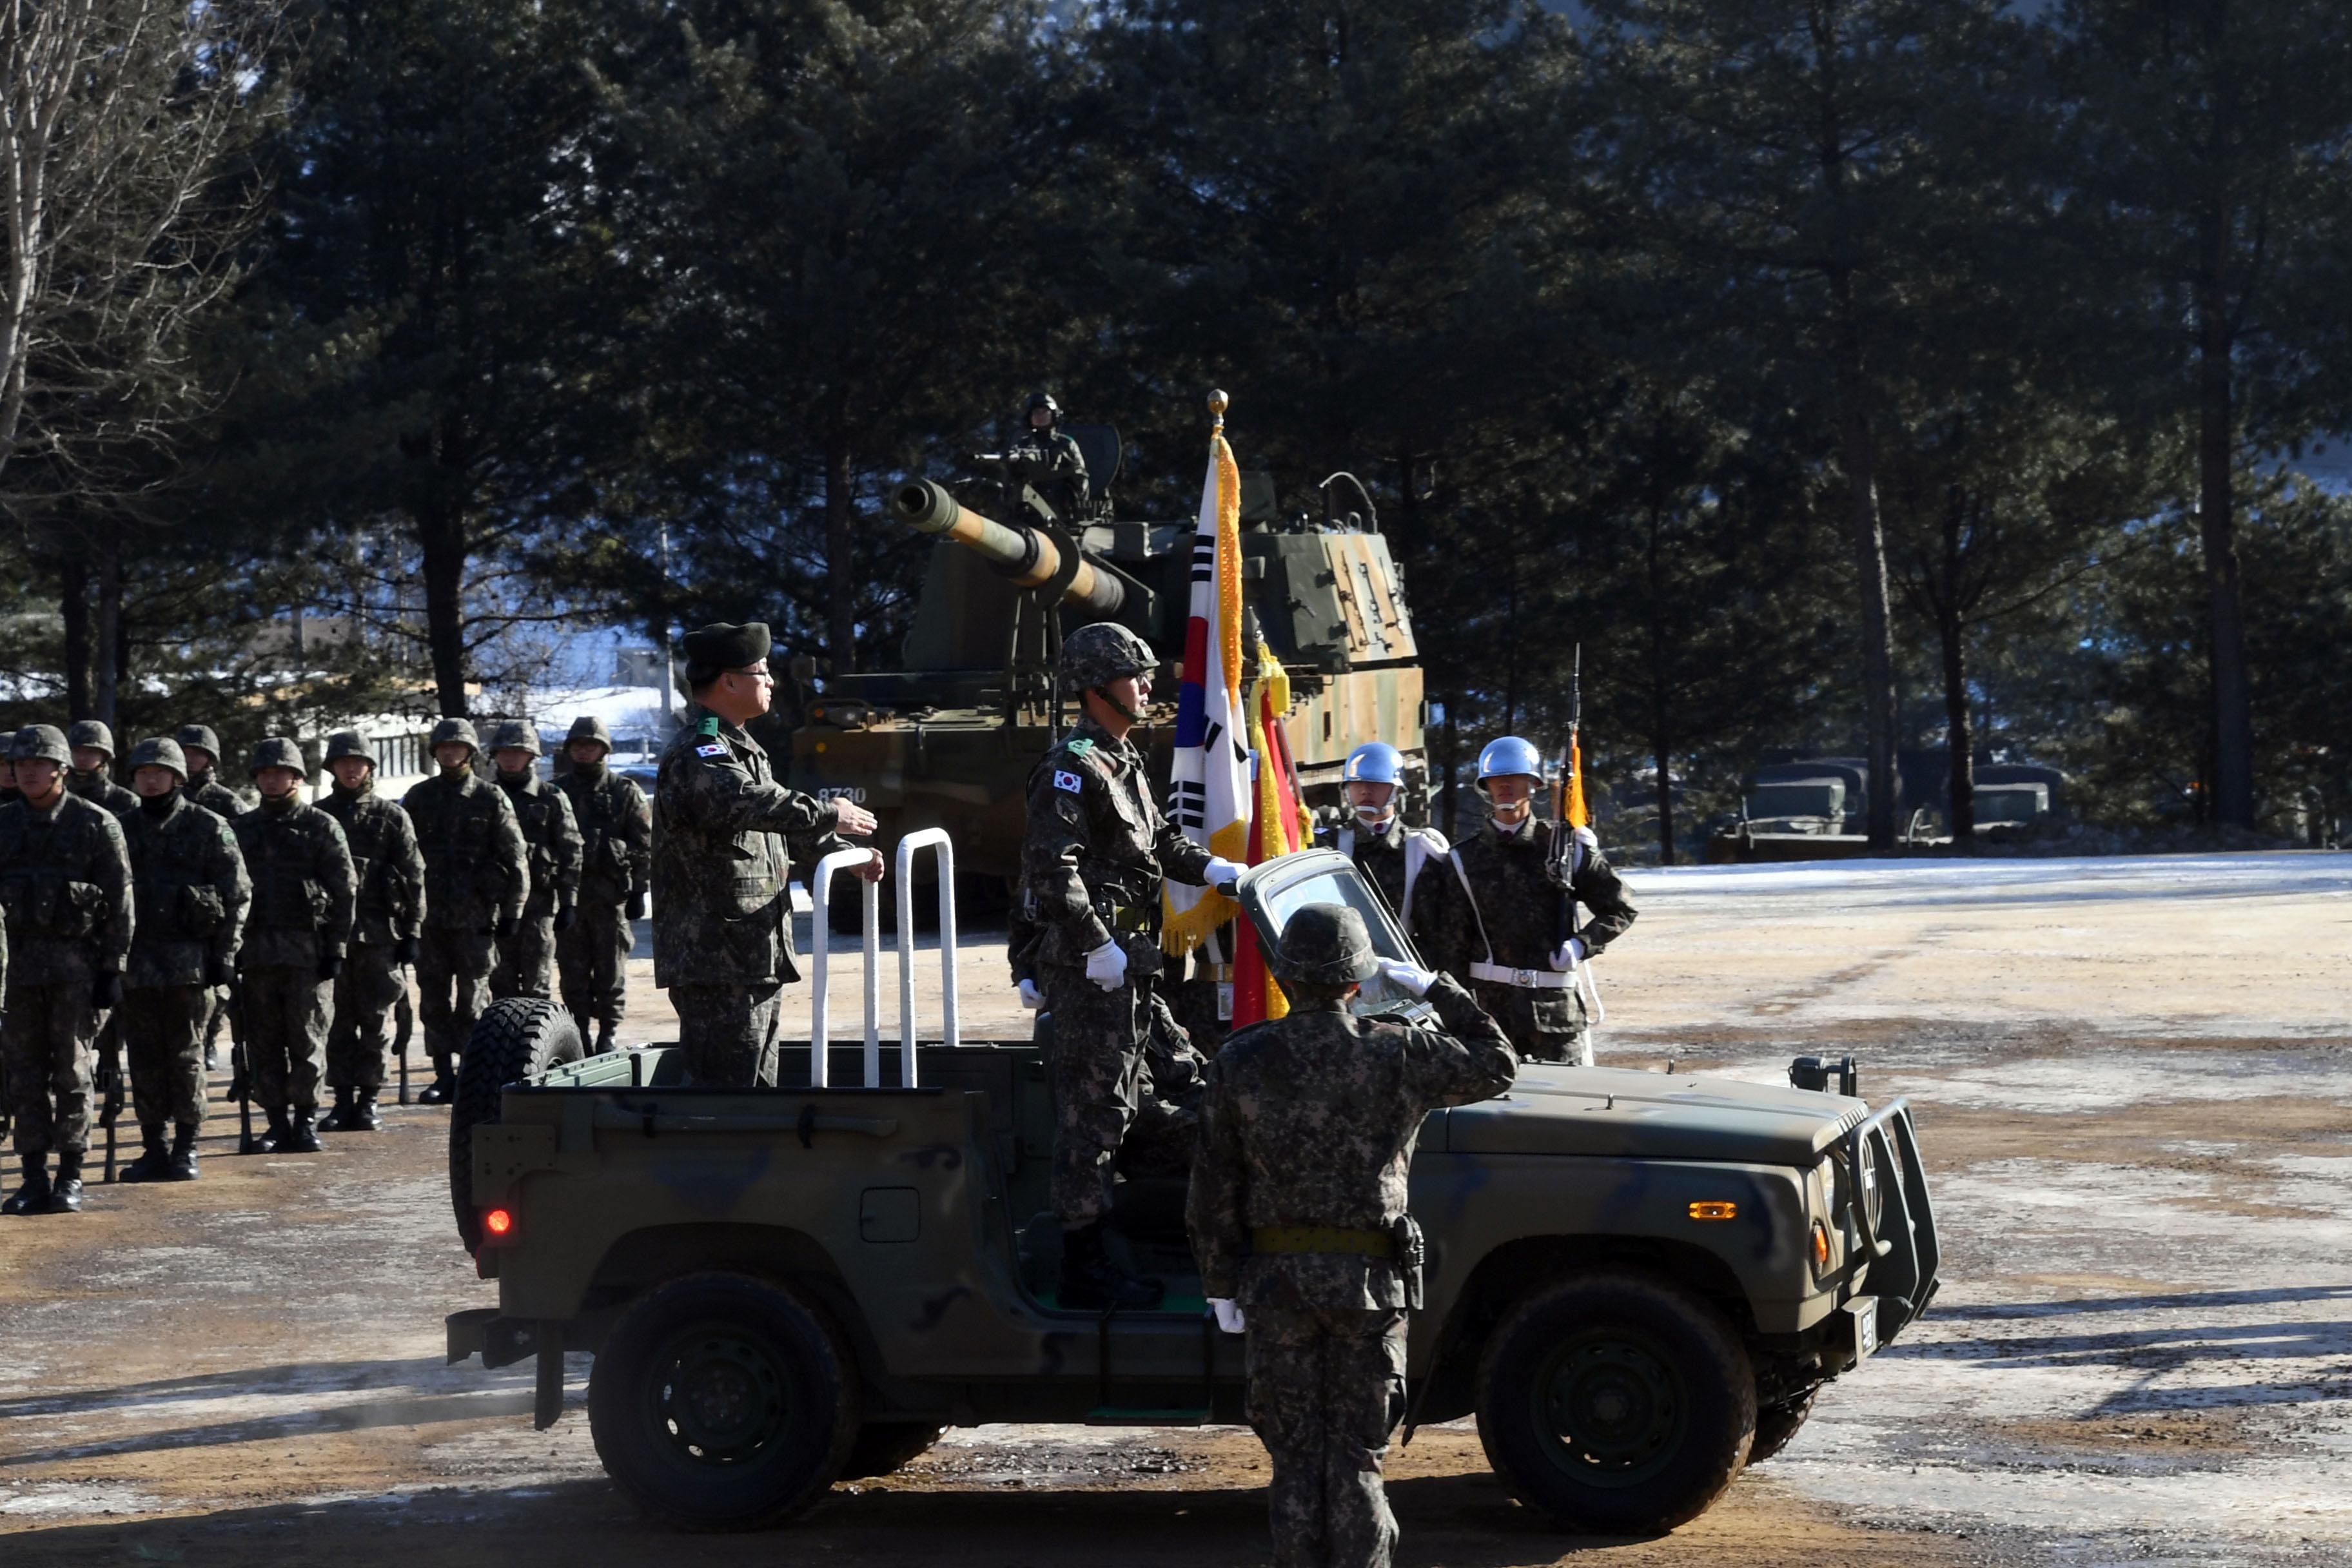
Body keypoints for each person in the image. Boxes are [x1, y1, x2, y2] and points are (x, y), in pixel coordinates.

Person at [1186, 904, 1516, 1568]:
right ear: (1359, 980)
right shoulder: (1399, 1050)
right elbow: (1500, 1062)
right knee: (1360, 1460)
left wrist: (1221, 1283)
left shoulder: (1241, 1058)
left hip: (1276, 1288)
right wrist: (1435, 987)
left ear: (1284, 975)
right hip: (1368, 1287)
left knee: (1295, 1458)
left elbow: (1213, 1184)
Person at [1019, 619, 1241, 1309]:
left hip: (1133, 965)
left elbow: (1159, 841)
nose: (1148, 685)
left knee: (1189, 1080)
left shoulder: (1122, 759)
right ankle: (1084, 1264)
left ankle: (1177, 1228)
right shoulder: (1072, 764)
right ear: (1096, 686)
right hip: (1096, 971)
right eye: (1135, 675)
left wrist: (1212, 867)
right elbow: (1051, 871)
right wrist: (1095, 945)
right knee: (1095, 1117)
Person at [652, 621, 881, 1087]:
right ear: (729, 681)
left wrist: (843, 854)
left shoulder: (742, 749)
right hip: (716, 961)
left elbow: (772, 828)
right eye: (761, 671)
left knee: (757, 1090)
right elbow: (743, 801)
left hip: (750, 955)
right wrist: (828, 812)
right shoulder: (702, 750)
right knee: (726, 1099)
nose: (772, 681)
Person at [1417, 736, 1636, 1066]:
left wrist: (1582, 945)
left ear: (1533, 784)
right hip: (1490, 1014)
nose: (1505, 785)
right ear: (1485, 786)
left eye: (1515, 777)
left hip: (1554, 1014)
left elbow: (1620, 907)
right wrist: (1455, 1010)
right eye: (1497, 778)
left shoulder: (1564, 848)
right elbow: (1453, 945)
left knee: (1564, 1106)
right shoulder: (1463, 859)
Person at [0, 724, 133, 1214]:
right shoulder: (3, 825)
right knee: (23, 1076)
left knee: (73, 1074)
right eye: (21, 764)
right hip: (16, 977)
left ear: (61, 769)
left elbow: (121, 901)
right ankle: (33, 1175)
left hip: (77, 972)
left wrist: (113, 969)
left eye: (39, 763)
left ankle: (71, 1174)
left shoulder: (96, 824)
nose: (28, 771)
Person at [116, 737, 248, 1182]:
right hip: (135, 967)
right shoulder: (119, 829)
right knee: (144, 1059)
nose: (151, 780)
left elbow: (237, 896)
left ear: (177, 776)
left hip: (191, 965)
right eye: (143, 773)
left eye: (160, 772)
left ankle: (187, 1147)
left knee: (187, 1056)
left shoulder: (209, 827)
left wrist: (225, 956)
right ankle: (154, 1145)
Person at [231, 738, 355, 1153]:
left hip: (308, 955)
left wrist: (336, 948)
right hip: (258, 955)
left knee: (307, 1038)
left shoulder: (321, 826)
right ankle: (276, 1122)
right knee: (263, 1041)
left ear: (297, 778)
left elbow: (344, 891)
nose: (271, 780)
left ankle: (304, 1120)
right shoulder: (242, 830)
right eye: (264, 774)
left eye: (279, 773)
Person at [402, 717, 528, 1103]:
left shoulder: (490, 798)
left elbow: (515, 855)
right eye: (443, 748)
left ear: (471, 753)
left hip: (476, 918)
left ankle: (474, 1076)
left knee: (474, 1000)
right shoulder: (419, 797)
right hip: (431, 919)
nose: (450, 753)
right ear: (435, 753)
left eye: (457, 747)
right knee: (434, 998)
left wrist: (513, 911)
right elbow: (403, 859)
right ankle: (443, 1074)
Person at [317, 730, 426, 1131]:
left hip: (380, 936)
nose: (351, 769)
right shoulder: (320, 816)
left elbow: (414, 876)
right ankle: (342, 1099)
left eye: (358, 762)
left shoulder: (392, 817)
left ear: (369, 768)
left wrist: (413, 932)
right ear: (331, 768)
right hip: (332, 939)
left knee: (376, 1020)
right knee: (337, 1022)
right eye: (343, 762)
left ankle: (368, 1099)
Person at [554, 715, 651, 1052]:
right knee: (572, 971)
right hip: (570, 900)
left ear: (603, 750)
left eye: (590, 745)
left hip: (611, 899)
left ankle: (608, 1032)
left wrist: (640, 890)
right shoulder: (558, 792)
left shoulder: (623, 791)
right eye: (578, 746)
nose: (584, 751)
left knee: (611, 971)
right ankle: (578, 1031)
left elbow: (643, 844)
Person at [486, 721, 581, 1003]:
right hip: (495, 905)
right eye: (504, 752)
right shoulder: (486, 797)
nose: (511, 758)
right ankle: (501, 1045)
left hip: (539, 905)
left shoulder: (551, 798)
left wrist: (568, 902)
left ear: (532, 756)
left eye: (518, 752)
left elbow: (571, 850)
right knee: (499, 984)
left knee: (536, 983)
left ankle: (534, 1045)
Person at [1314, 741, 1448, 939]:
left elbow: (1437, 929)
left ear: (1396, 790)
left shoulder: (1422, 849)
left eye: (1375, 784)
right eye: (1357, 783)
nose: (1365, 791)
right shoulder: (1327, 845)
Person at [1010, 391, 1091, 516]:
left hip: (1060, 507)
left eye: (1045, 412)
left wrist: (1074, 502)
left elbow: (1080, 476)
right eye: (1036, 412)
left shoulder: (1066, 444)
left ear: (1054, 415)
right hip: (1029, 506)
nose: (1040, 416)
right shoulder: (1023, 445)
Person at [64, 720, 137, 818]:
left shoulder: (126, 801)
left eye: (90, 752)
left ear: (105, 756)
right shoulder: (58, 799)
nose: (82, 758)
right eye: (77, 751)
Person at [176, 725, 250, 818]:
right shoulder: (163, 796)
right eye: (184, 753)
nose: (189, 759)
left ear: (210, 759)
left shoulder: (226, 801)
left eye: (197, 754)